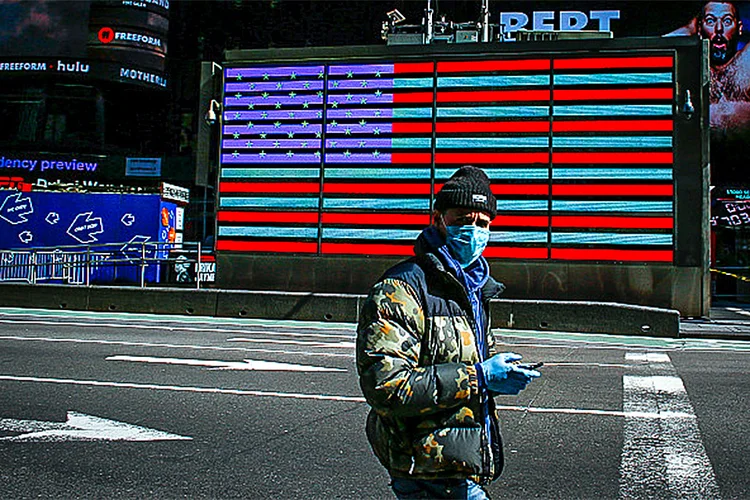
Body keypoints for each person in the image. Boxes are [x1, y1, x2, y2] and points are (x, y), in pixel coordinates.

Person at [356, 166, 541, 499]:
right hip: (425, 470)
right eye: (462, 219)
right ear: (438, 218)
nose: (473, 230)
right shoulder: (401, 288)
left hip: (459, 465)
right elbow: (385, 386)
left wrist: (498, 377)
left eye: (483, 223)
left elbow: (461, 365)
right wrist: (479, 377)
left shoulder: (475, 288)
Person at [666, 1, 750, 132]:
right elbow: (653, 52)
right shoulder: (691, 67)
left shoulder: (747, 61)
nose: (719, 29)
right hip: (700, 151)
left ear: (739, 28)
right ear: (699, 28)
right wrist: (689, 29)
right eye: (710, 21)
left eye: (727, 21)